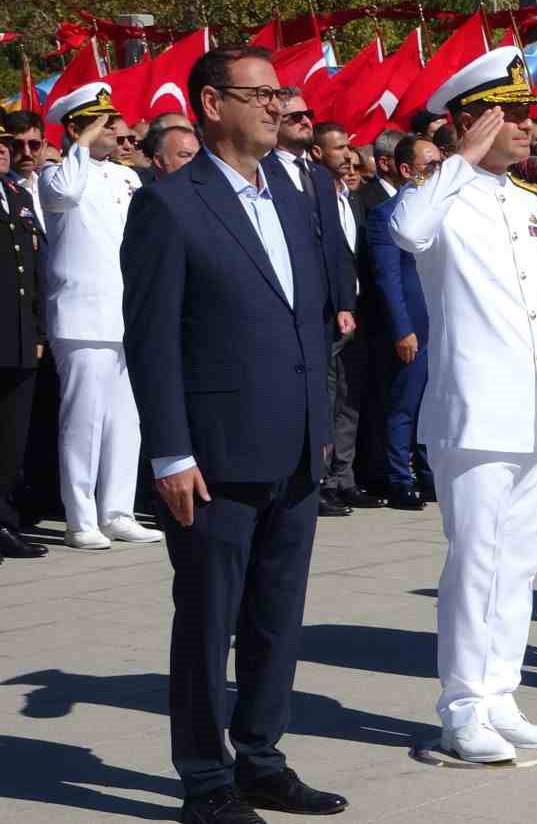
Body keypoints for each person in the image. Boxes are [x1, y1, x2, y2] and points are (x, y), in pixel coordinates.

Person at [122, 44, 348, 824]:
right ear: (213, 105)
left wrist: (320, 422)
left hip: (295, 446)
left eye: (281, 94)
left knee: (276, 618)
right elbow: (152, 340)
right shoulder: (170, 204)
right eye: (261, 95)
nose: (278, 107)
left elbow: (306, 319)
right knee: (208, 619)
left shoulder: (291, 190)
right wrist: (171, 451)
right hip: (214, 454)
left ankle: (261, 759)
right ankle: (204, 778)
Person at [390, 46, 537, 762]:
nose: (529, 127)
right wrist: (457, 159)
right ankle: (462, 706)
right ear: (473, 121)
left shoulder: (525, 202)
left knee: (517, 563)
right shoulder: (442, 193)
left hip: (530, 412)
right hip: (473, 412)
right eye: (513, 115)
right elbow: (406, 232)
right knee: (474, 561)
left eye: (530, 115)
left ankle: (501, 695)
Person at [40, 83, 163, 550]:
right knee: (84, 422)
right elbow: (63, 194)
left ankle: (117, 511)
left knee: (125, 423)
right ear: (78, 129)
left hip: (125, 315)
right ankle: (80, 518)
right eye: (105, 124)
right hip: (82, 317)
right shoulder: (58, 174)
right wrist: (81, 144)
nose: (116, 131)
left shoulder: (126, 177)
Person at [267, 91, 358, 517]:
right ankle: (293, 476)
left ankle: (316, 479)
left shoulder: (319, 176)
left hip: (323, 307)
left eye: (308, 114)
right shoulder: (265, 171)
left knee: (323, 393)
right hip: (289, 303)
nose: (305, 121)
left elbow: (335, 244)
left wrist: (344, 302)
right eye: (295, 116)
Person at [309, 121, 383, 510]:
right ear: (317, 153)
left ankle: (343, 476)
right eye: (338, 148)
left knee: (350, 397)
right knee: (327, 396)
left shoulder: (351, 198)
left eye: (349, 147)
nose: (348, 156)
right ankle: (319, 480)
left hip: (357, 309)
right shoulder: (311, 196)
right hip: (327, 313)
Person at [368, 136, 437, 511]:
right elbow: (388, 278)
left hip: (442, 325)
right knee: (404, 406)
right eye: (430, 166)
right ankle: (399, 479)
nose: (437, 173)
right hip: (413, 327)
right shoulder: (387, 214)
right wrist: (402, 329)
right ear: (407, 170)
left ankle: (429, 474)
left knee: (434, 404)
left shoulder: (444, 210)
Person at [0, 125, 48, 561]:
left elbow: (32, 271)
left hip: (19, 337)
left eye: (5, 145)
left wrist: (38, 331)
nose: (3, 152)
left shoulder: (18, 197)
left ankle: (3, 523)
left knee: (11, 439)